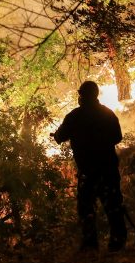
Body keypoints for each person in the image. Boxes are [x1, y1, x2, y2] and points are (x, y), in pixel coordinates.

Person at [53, 80, 127, 251]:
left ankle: (90, 244)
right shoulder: (107, 113)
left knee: (86, 207)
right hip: (108, 168)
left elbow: (60, 136)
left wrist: (60, 134)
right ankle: (118, 242)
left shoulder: (74, 116)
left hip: (88, 170)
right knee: (113, 205)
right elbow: (117, 137)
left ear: (82, 96)